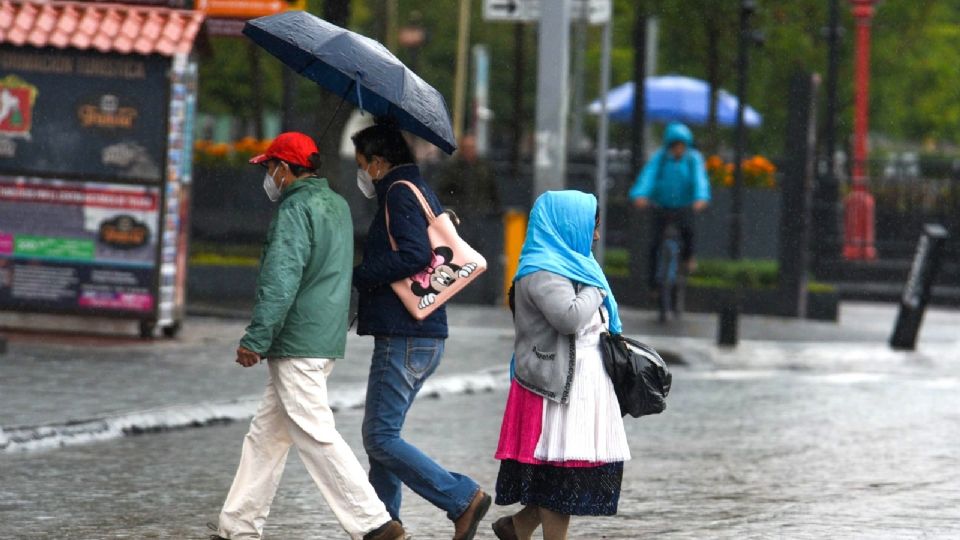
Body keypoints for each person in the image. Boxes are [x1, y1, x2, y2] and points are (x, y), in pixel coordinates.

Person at [210, 132, 404, 540]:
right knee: (266, 436)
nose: (268, 175)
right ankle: (238, 527)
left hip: (298, 341)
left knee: (315, 433)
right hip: (323, 338)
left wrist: (256, 339)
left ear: (285, 169)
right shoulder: (335, 205)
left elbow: (281, 280)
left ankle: (374, 523)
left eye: (269, 167)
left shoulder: (294, 211)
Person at [351, 122, 491, 540]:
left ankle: (461, 498)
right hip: (421, 332)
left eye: (363, 165)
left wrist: (361, 275)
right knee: (385, 436)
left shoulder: (397, 192)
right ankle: (383, 524)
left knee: (378, 436)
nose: (362, 174)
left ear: (379, 162)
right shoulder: (417, 188)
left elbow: (414, 255)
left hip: (406, 332)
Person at [492, 190, 630, 540]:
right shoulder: (543, 271)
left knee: (564, 477)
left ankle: (517, 528)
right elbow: (568, 318)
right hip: (555, 388)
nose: (596, 235)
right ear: (567, 224)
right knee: (559, 479)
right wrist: (597, 289)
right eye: (592, 226)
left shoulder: (577, 266)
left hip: (579, 386)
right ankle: (520, 529)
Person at [629, 122, 710, 287]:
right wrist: (640, 194)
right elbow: (648, 176)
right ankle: (653, 286)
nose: (677, 149)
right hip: (662, 205)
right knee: (655, 243)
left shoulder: (693, 159)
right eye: (674, 145)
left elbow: (700, 179)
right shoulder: (660, 158)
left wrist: (700, 197)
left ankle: (688, 259)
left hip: (684, 205)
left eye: (681, 145)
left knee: (688, 231)